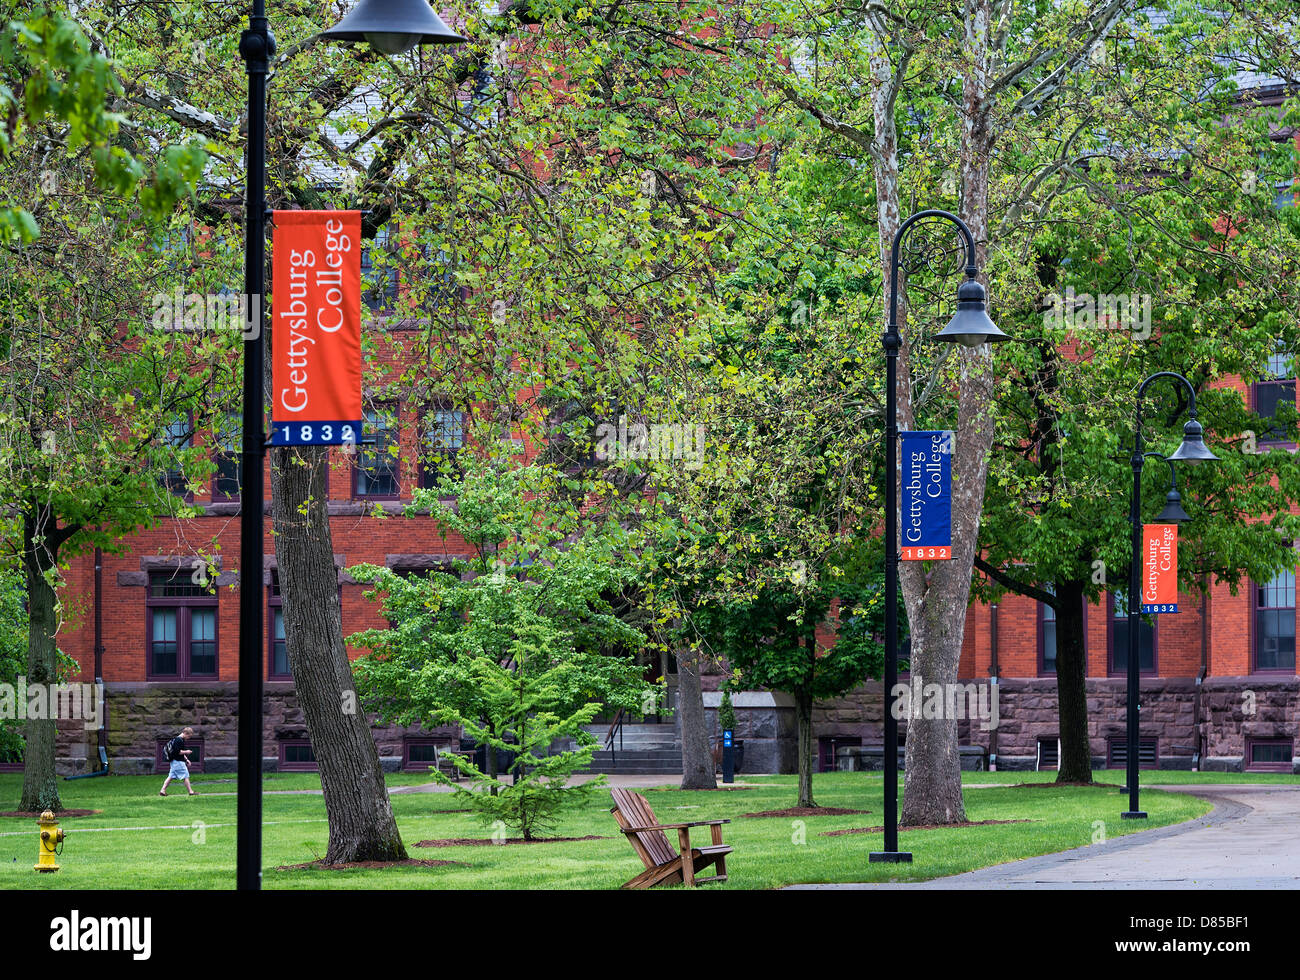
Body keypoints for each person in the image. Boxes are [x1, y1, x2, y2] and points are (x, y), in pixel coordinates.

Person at [160, 727, 197, 796]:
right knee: (186, 775)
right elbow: (178, 752)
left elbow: (179, 751)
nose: (188, 738)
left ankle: (162, 790)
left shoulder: (178, 739)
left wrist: (186, 759)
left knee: (171, 776)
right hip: (178, 761)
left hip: (175, 761)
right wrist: (187, 752)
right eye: (189, 736)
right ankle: (190, 792)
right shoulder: (178, 740)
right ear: (185, 733)